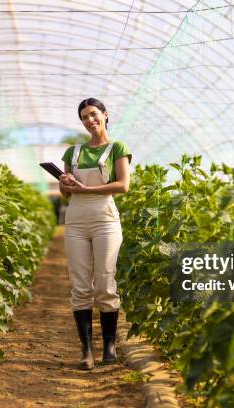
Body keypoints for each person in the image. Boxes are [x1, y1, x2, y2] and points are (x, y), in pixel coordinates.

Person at [59, 98, 131, 370]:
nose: (89, 120)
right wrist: (64, 183)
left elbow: (123, 185)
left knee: (104, 281)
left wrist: (89, 190)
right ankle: (86, 350)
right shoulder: (72, 152)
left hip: (105, 218)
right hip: (76, 219)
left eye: (93, 114)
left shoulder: (117, 148)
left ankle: (109, 347)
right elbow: (67, 194)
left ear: (105, 115)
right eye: (84, 117)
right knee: (80, 285)